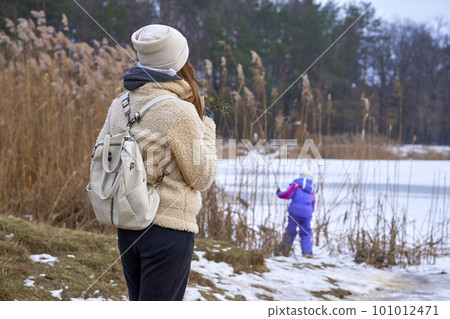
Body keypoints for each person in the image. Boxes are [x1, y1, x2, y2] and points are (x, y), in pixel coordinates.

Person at [95, 24, 217, 300]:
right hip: (169, 231)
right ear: (178, 61)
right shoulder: (180, 112)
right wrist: (207, 126)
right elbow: (203, 177)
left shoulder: (119, 105)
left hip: (128, 227)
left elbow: (102, 157)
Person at [276, 170, 316, 258]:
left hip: (295, 212)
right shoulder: (312, 189)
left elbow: (287, 194)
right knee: (306, 232)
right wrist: (310, 212)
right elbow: (313, 204)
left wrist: (279, 193)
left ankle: (284, 251)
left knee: (290, 231)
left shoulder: (296, 185)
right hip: (307, 213)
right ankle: (308, 252)